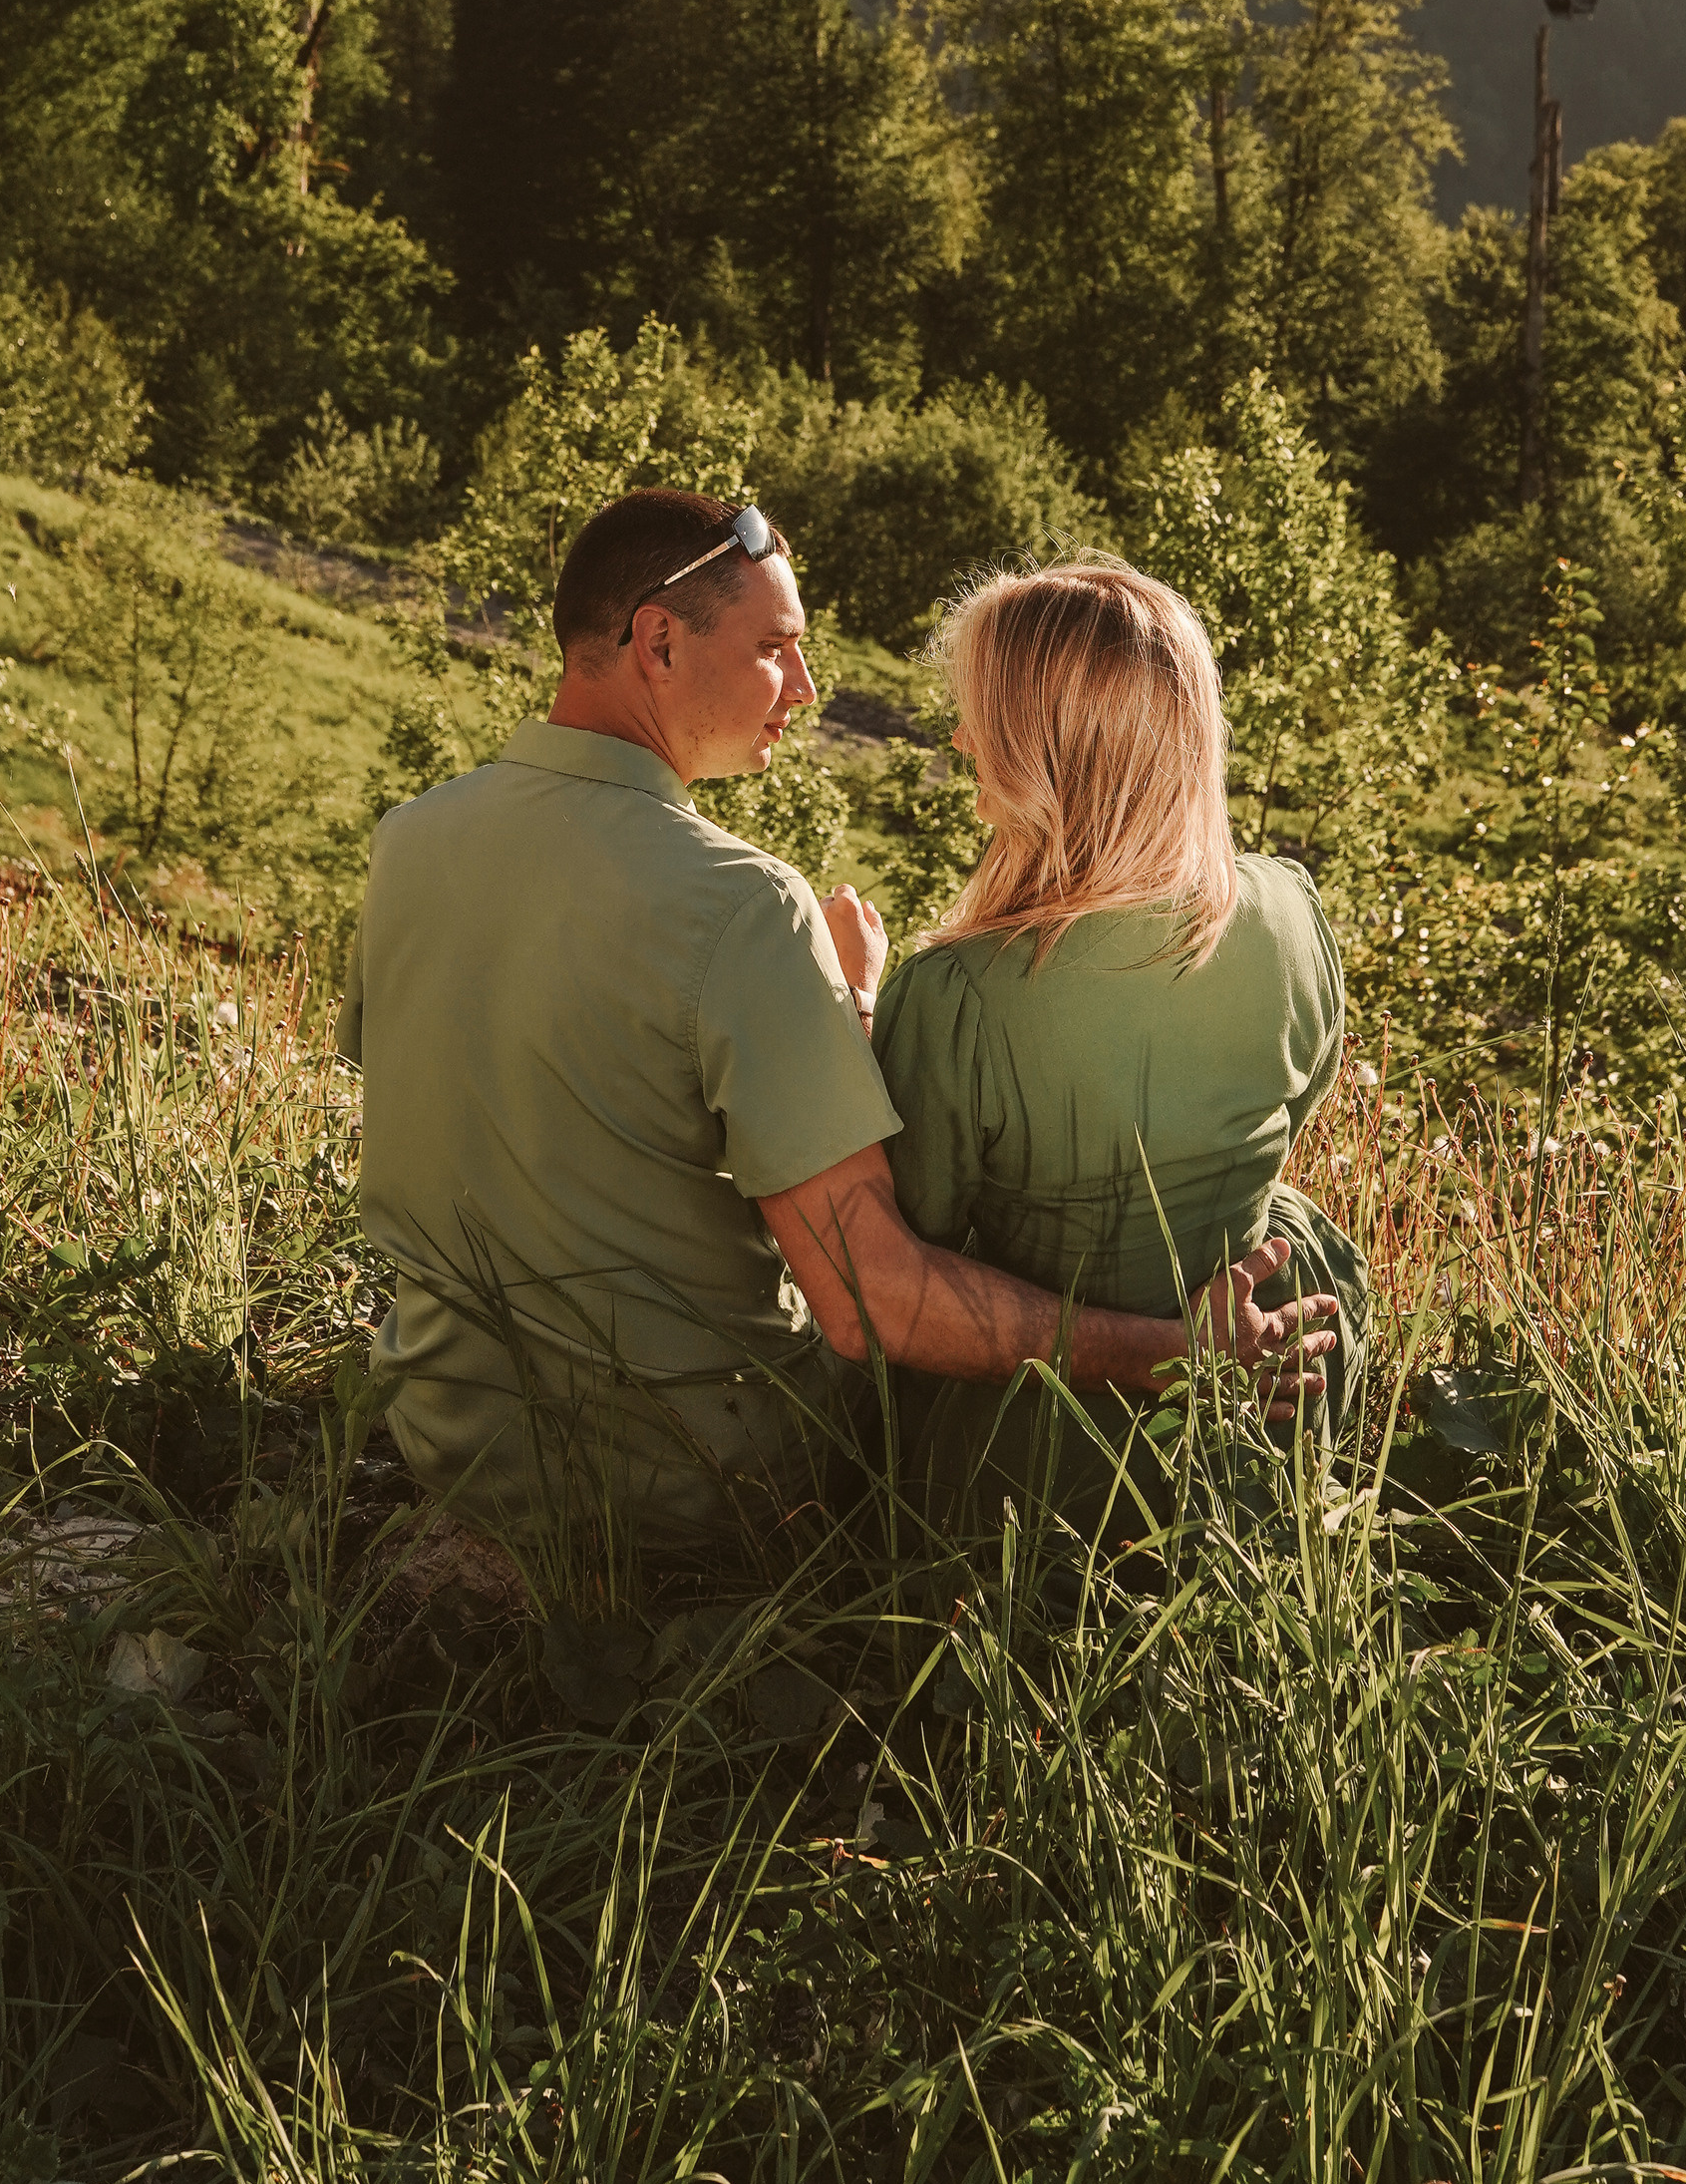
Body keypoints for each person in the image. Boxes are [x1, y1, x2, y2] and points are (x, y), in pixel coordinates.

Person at [338, 488, 1333, 1550]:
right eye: (775, 648)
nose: (806, 690)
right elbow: (875, 1299)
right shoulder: (743, 905)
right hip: (683, 1476)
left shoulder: (411, 837)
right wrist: (1163, 1348)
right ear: (659, 642)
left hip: (447, 1427)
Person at [870, 553, 1368, 1517]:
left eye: (984, 712)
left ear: (1042, 747)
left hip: (1053, 1434)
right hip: (1273, 1368)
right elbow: (1300, 1099)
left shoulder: (955, 994)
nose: (962, 735)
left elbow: (907, 1237)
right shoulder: (1286, 911)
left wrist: (858, 1020)